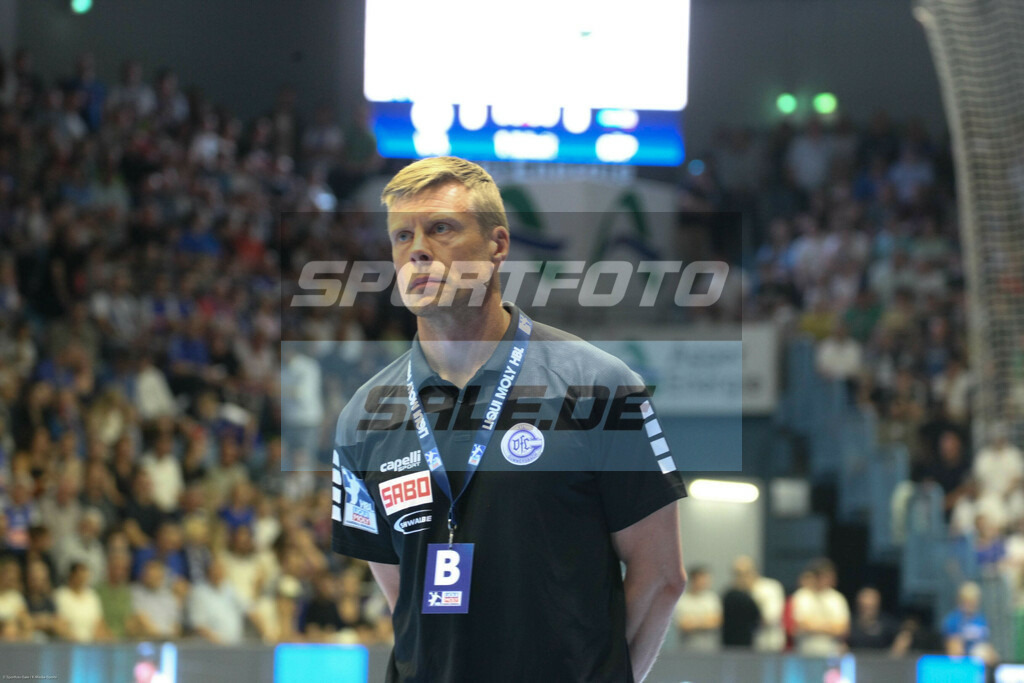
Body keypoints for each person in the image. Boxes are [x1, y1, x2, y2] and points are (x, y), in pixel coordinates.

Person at [329, 157, 687, 682]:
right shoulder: (362, 417)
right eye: (401, 236)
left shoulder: (600, 386)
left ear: (498, 245)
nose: (417, 250)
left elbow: (661, 577)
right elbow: (402, 595)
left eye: (441, 229)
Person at [791, 558, 850, 656]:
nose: (827, 580)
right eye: (824, 576)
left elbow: (842, 629)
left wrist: (815, 625)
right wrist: (829, 626)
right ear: (816, 577)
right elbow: (802, 624)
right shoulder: (802, 596)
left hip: (832, 653)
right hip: (806, 652)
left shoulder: (837, 598)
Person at [673, 566, 723, 651]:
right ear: (693, 580)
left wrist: (693, 621)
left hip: (710, 648)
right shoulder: (682, 600)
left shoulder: (711, 598)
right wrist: (704, 620)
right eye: (701, 579)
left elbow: (716, 621)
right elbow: (683, 625)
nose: (705, 582)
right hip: (687, 648)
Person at [720, 561, 761, 648]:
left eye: (746, 574)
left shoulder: (758, 593)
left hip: (751, 643)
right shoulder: (729, 596)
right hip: (730, 644)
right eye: (739, 574)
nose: (742, 578)